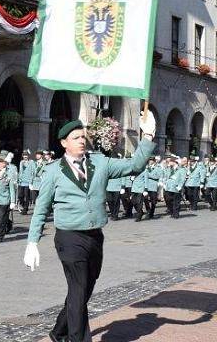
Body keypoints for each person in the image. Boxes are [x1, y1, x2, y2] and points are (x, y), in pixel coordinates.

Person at [23, 113, 156, 342]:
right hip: (69, 237)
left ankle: (59, 331)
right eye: (75, 138)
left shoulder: (100, 162)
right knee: (78, 287)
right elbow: (41, 208)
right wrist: (32, 242)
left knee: (84, 289)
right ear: (64, 143)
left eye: (83, 136)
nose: (81, 141)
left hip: (94, 236)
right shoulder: (53, 170)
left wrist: (148, 135)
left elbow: (135, 166)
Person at [16, 149, 35, 215]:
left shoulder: (31, 162)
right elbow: (20, 171)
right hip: (21, 181)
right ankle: (24, 205)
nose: (25, 156)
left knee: (27, 196)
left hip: (28, 181)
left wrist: (31, 180)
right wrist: (18, 179)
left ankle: (25, 209)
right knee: (20, 196)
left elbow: (33, 171)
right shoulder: (21, 162)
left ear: (28, 156)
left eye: (26, 155)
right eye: (24, 155)